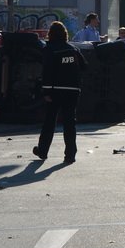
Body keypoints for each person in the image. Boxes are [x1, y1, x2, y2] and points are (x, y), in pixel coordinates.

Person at [34, 21, 85, 164]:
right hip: (73, 90)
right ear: (65, 34)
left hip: (55, 90)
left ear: (51, 34)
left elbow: (47, 71)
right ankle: (70, 155)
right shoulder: (73, 50)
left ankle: (43, 151)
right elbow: (84, 66)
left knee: (49, 121)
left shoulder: (49, 49)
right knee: (70, 123)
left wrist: (46, 92)